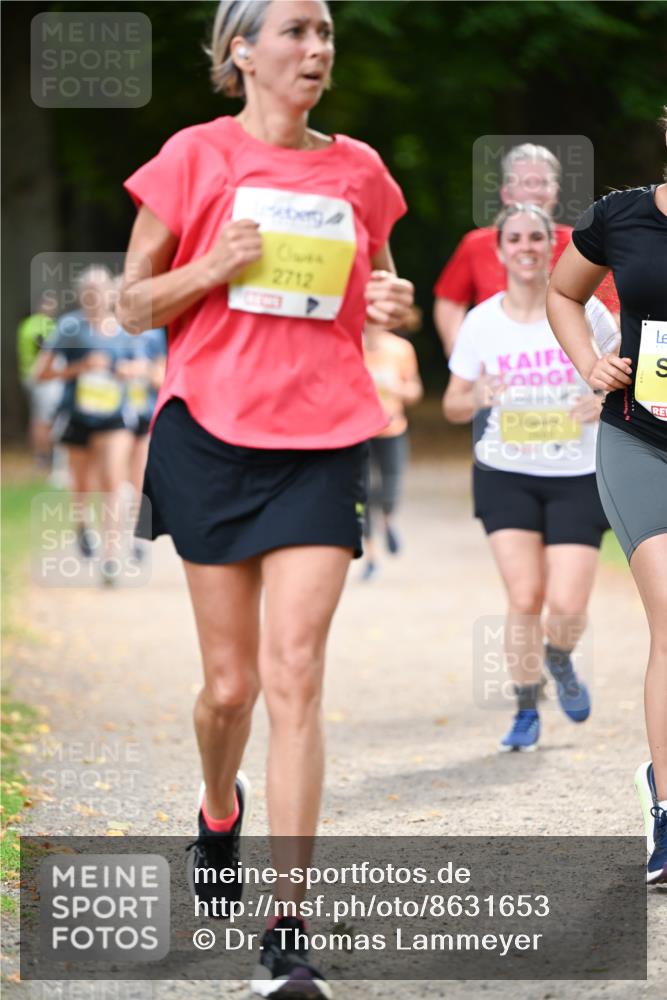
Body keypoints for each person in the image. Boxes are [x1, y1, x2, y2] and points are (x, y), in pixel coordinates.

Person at [118, 1, 413, 994]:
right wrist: (214, 265)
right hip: (208, 433)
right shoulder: (194, 156)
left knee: (294, 675)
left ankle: (287, 929)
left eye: (325, 32)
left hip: (324, 437)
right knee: (231, 688)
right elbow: (130, 300)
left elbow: (381, 280)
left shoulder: (358, 171)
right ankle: (215, 807)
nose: (316, 48)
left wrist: (391, 302)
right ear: (240, 50)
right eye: (295, 31)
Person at [443, 203, 618, 753]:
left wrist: (602, 396)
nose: (525, 246)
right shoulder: (481, 321)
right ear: (498, 252)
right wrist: (476, 395)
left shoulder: (588, 314)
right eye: (514, 238)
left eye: (536, 237)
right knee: (524, 595)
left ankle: (559, 657)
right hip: (506, 472)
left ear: (552, 248)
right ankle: (525, 708)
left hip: (577, 472)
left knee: (565, 605)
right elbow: (451, 404)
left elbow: (624, 376)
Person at [547, 109, 667, 885]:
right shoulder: (618, 214)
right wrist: (589, 360)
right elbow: (564, 293)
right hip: (640, 441)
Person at [433, 143, 619, 356]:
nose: (534, 191)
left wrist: (598, 364)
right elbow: (450, 302)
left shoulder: (579, 241)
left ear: (555, 191)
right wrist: (462, 356)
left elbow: (612, 309)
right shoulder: (476, 244)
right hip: (498, 361)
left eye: (542, 182)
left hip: (566, 363)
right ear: (506, 193)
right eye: (524, 182)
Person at [35, 266, 138, 585]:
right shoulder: (69, 327)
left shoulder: (126, 327)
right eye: (88, 291)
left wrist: (126, 370)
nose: (94, 297)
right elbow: (41, 373)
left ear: (111, 293)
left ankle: (110, 556)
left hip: (115, 417)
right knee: (82, 485)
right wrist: (80, 367)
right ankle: (83, 526)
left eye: (100, 290)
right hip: (77, 417)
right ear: (81, 295)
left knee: (112, 481)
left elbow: (143, 365)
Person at [361, 321, 422, 580]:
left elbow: (415, 390)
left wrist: (398, 389)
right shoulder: (350, 347)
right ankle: (371, 558)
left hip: (392, 427)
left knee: (390, 487)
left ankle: (387, 521)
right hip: (359, 432)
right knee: (361, 494)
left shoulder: (400, 349)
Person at [17, 291, 62, 469]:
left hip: (29, 376)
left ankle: (42, 454)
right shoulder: (42, 325)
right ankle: (44, 455)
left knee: (38, 416)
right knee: (44, 419)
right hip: (43, 377)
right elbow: (46, 350)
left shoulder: (26, 324)